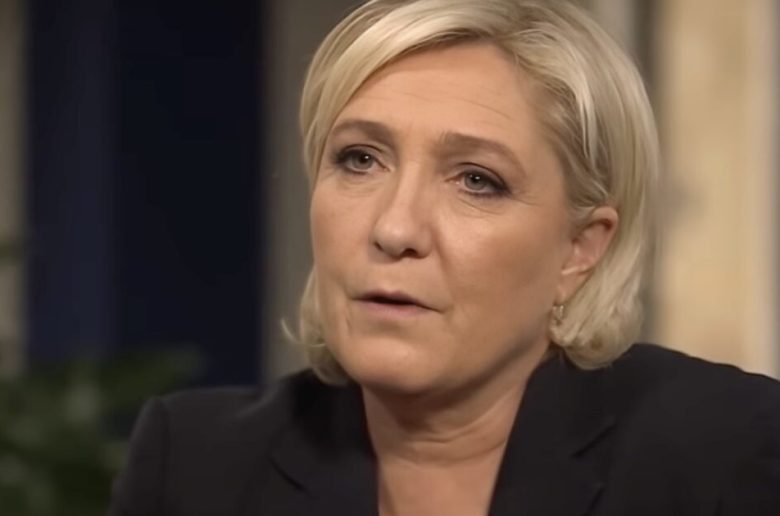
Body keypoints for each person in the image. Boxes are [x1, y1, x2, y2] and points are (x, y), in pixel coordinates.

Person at [108, 0, 780, 515]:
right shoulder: (195, 464)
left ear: (580, 248)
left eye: (477, 180)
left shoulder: (730, 453)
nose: (394, 228)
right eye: (359, 159)